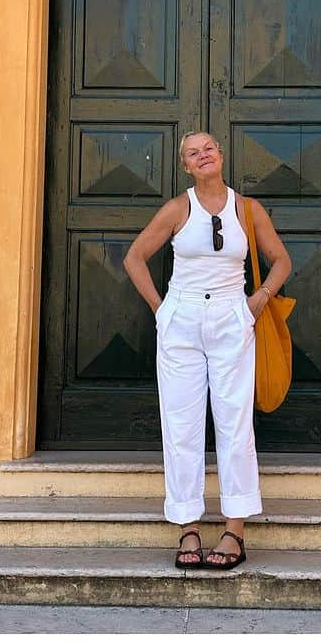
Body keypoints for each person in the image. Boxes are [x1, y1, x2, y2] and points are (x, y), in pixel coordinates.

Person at [123, 130, 292, 570]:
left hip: (232, 321)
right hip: (182, 321)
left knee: (235, 423)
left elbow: (282, 260)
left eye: (208, 149)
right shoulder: (178, 209)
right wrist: (162, 311)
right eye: (193, 153)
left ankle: (235, 530)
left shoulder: (246, 209)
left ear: (221, 155)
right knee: (181, 425)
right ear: (185, 165)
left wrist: (258, 300)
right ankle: (188, 526)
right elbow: (134, 257)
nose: (203, 156)